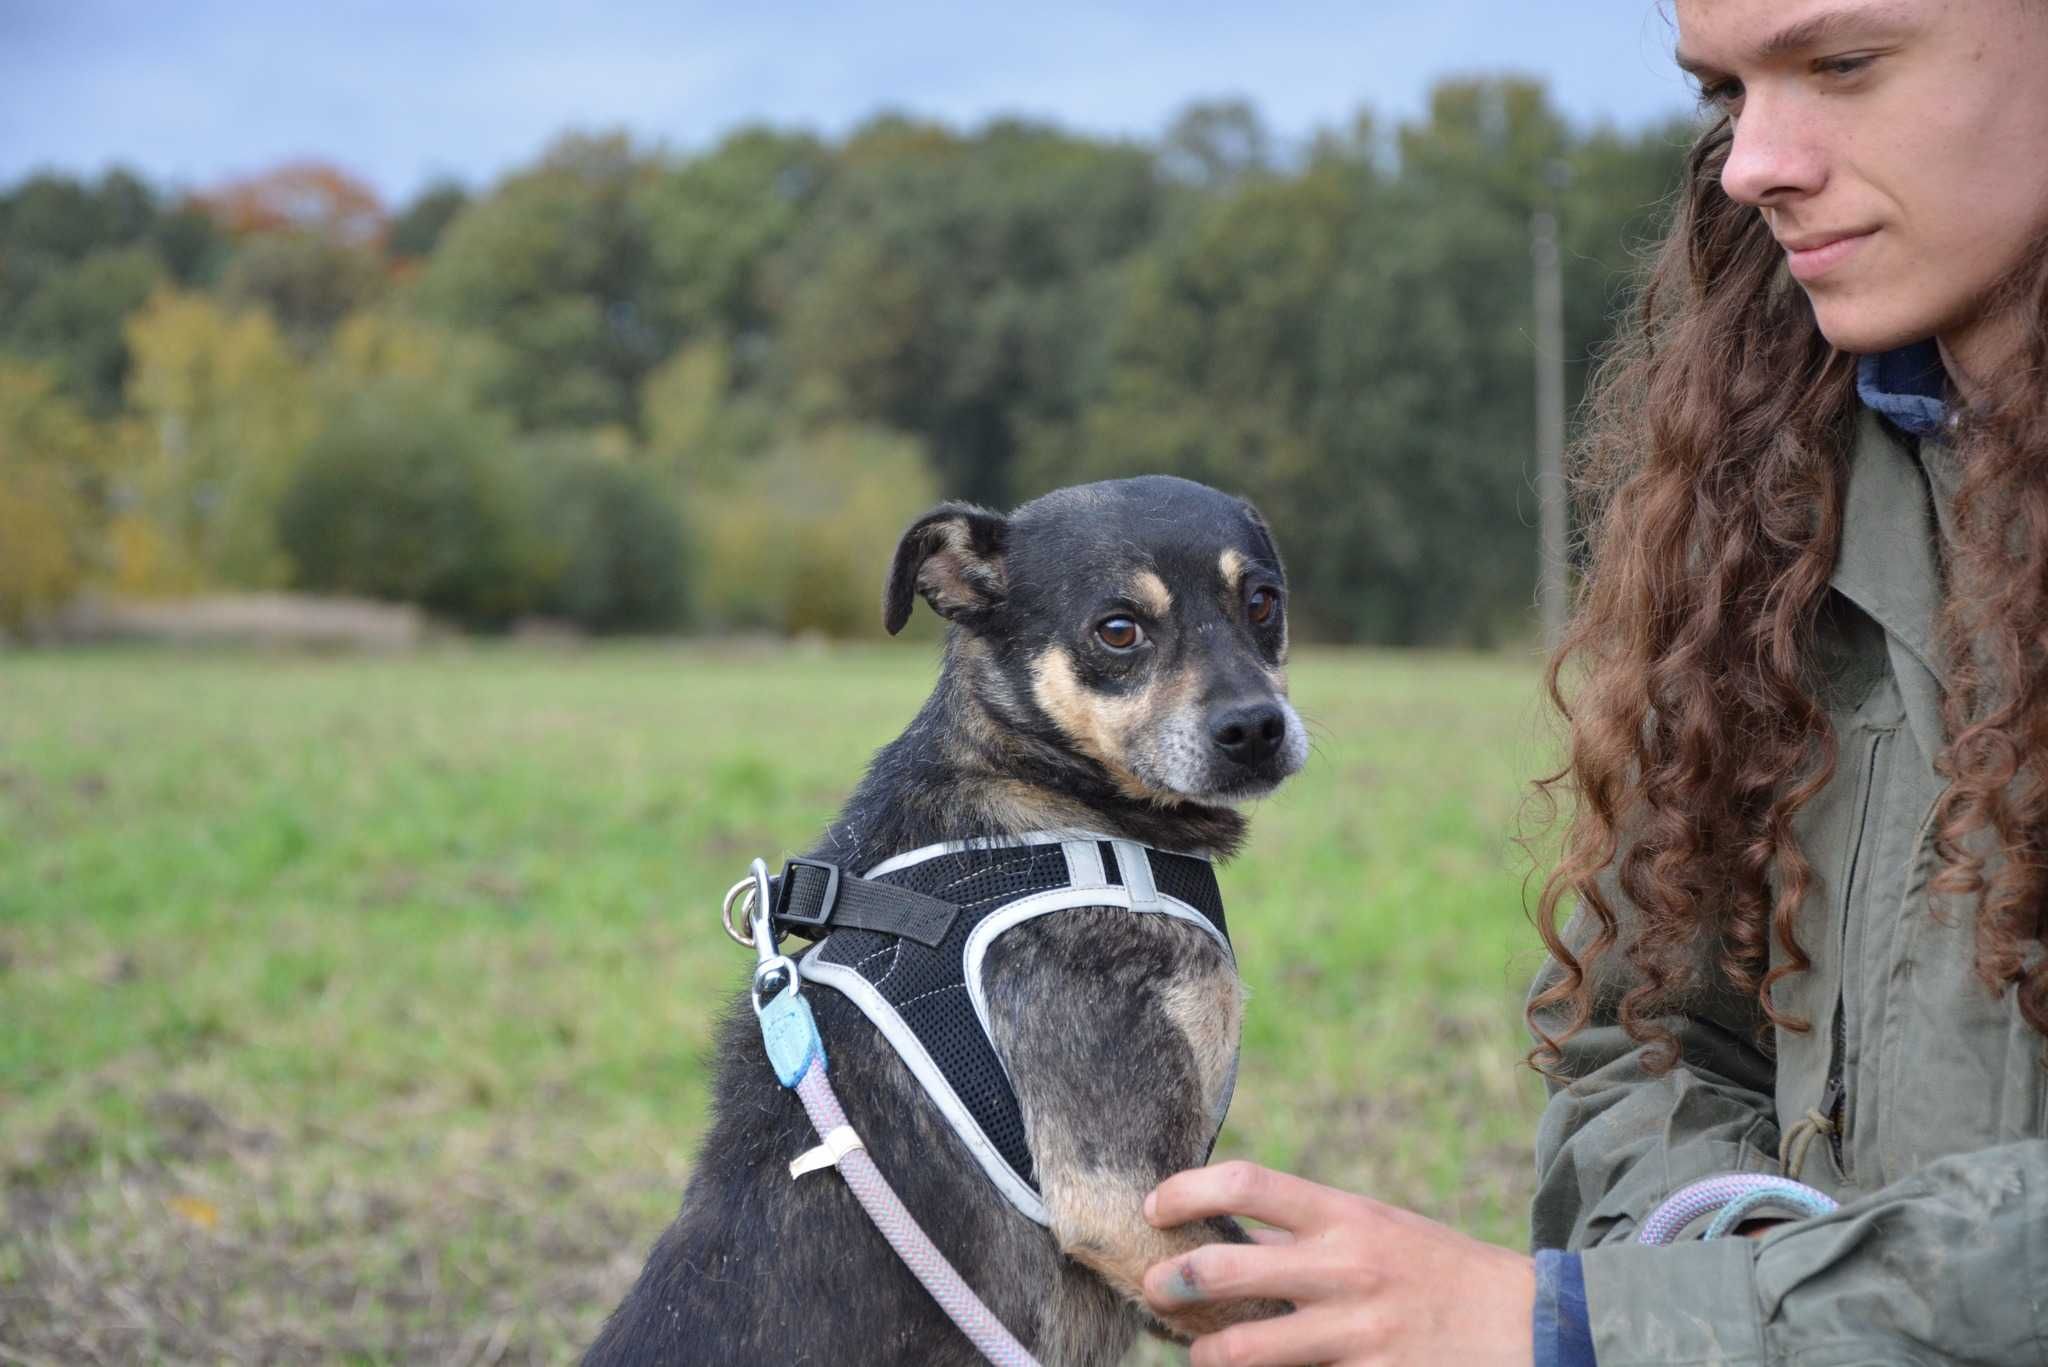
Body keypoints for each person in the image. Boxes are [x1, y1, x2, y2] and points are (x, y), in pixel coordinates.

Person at [1136, 0, 2048, 1362]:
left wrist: (1588, 1325)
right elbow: (1646, 1041)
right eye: (1725, 94)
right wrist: (1725, 1276)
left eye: (1843, 64)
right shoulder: (1774, 505)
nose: (1754, 163)